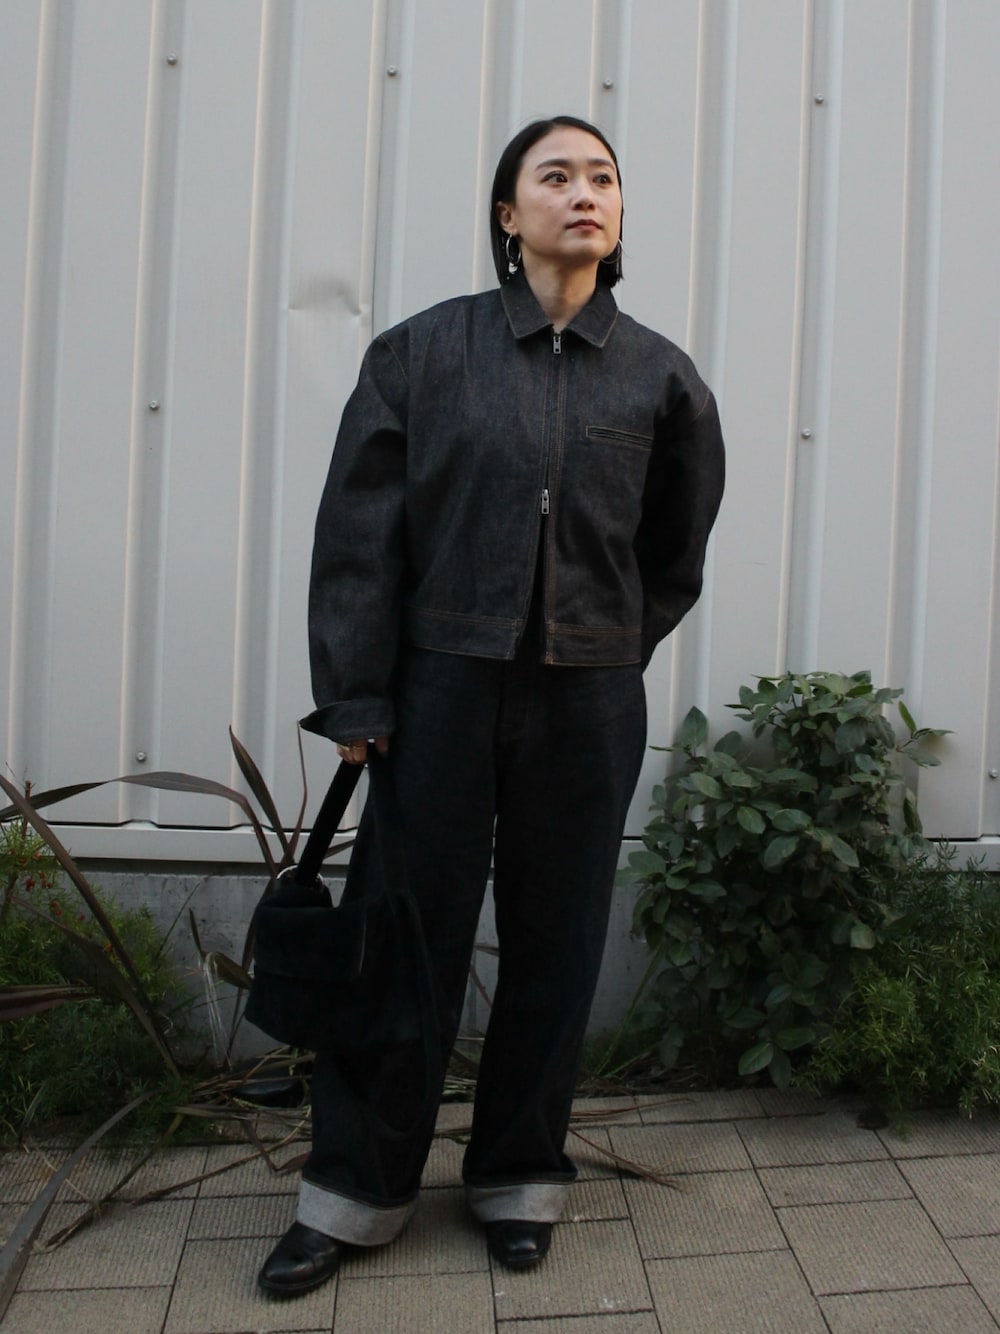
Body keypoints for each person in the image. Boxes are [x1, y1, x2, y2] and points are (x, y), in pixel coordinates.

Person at [258, 114, 725, 1297]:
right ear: (508, 215)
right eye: (554, 176)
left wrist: (607, 645)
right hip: (438, 694)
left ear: (617, 214)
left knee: (557, 943)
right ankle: (353, 1189)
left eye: (601, 176)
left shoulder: (661, 376)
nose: (583, 193)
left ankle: (519, 1175)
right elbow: (358, 536)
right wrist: (357, 690)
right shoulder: (423, 353)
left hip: (588, 703)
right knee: (401, 944)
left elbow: (674, 548)